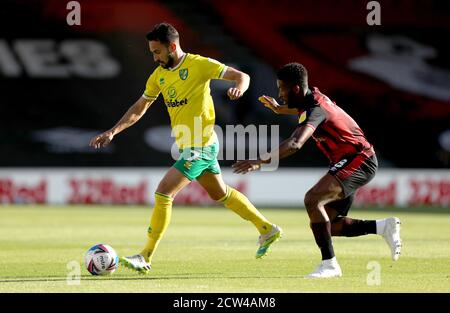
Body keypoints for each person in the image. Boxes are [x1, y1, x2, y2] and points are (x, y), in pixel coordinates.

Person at [89, 23, 282, 274]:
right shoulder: (158, 76)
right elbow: (140, 107)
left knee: (163, 193)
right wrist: (113, 131)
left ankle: (145, 255)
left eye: (157, 52)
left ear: (172, 46)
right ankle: (267, 229)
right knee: (220, 193)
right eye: (152, 52)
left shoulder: (199, 64)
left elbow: (241, 76)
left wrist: (239, 88)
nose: (154, 57)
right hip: (191, 145)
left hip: (201, 145)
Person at [233, 63, 401, 278]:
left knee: (312, 199)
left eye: (281, 88)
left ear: (294, 89)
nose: (279, 93)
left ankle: (329, 265)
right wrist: (279, 108)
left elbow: (295, 143)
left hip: (358, 160)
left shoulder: (314, 109)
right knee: (331, 225)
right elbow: (304, 109)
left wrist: (259, 161)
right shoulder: (313, 96)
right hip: (352, 160)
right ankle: (383, 227)